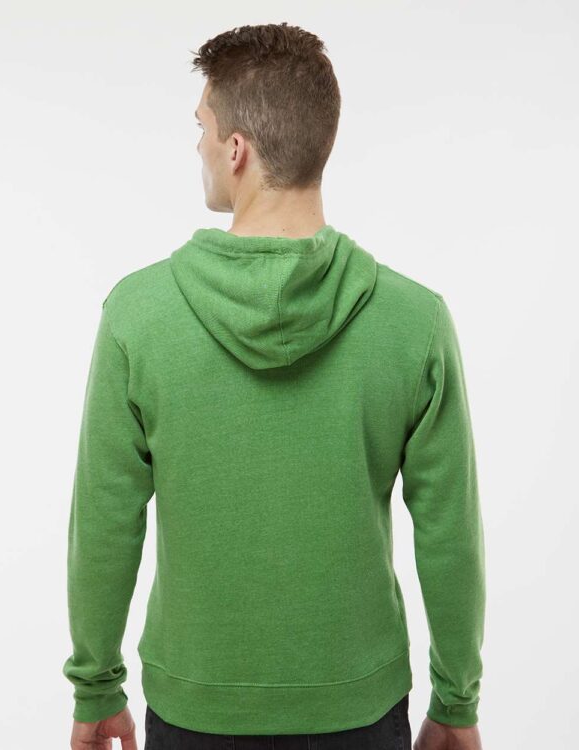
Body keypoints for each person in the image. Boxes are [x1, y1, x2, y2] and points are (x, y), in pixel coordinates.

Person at [63, 22, 486, 750]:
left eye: (201, 126)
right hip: (359, 709)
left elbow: (105, 523)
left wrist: (96, 686)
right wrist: (457, 702)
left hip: (195, 710)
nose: (197, 145)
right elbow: (451, 537)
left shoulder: (139, 315)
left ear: (236, 150)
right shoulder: (413, 322)